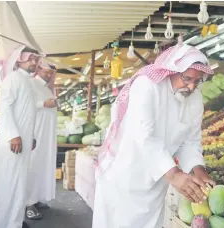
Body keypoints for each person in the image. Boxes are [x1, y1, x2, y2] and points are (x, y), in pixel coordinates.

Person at [92, 44, 215, 228]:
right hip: (125, 177)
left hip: (156, 180)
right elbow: (143, 137)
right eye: (187, 78)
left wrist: (198, 170)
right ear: (172, 70)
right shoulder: (147, 86)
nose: (191, 86)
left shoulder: (195, 99)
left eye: (198, 81)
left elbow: (190, 141)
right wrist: (174, 175)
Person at [0, 46, 38, 228]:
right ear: (18, 60)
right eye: (30, 58)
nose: (34, 62)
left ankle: (14, 222)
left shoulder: (27, 82)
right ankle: (0, 223)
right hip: (12, 144)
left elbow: (28, 113)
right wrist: (14, 135)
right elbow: (5, 108)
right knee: (7, 184)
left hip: (21, 143)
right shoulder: (12, 79)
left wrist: (31, 136)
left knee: (18, 184)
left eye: (35, 58)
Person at [25, 60, 58, 220]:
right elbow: (25, 105)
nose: (48, 74)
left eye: (51, 72)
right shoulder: (31, 84)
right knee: (32, 166)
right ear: (38, 69)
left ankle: (36, 198)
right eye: (46, 71)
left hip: (47, 135)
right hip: (36, 134)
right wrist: (43, 103)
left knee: (42, 166)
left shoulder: (46, 88)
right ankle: (27, 203)